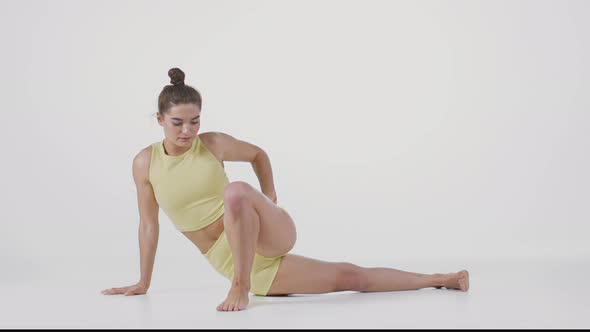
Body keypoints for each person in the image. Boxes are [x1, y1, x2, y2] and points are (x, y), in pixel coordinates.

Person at [101, 67, 470, 312]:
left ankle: (241, 288)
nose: (187, 131)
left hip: (267, 235)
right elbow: (149, 225)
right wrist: (143, 282)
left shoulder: (212, 144)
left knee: (237, 192)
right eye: (177, 123)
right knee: (350, 277)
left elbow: (258, 154)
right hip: (228, 258)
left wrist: (269, 195)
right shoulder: (145, 163)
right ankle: (442, 280)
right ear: (159, 120)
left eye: (194, 121)